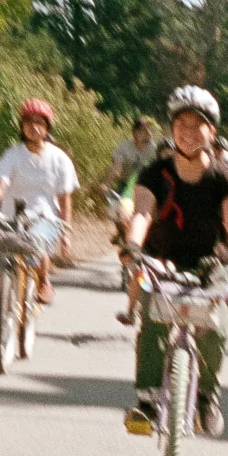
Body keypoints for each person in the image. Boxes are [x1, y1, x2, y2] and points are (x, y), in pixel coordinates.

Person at [123, 87, 228, 440]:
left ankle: (207, 397)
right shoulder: (155, 173)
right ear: (171, 129)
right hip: (162, 260)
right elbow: (142, 213)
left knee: (216, 329)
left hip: (210, 265)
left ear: (211, 132)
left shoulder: (226, 178)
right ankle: (148, 402)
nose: (187, 131)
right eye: (180, 123)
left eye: (197, 124)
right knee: (153, 322)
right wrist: (133, 247)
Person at [0, 98, 78, 306]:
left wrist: (66, 232)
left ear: (47, 128)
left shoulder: (59, 159)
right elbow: (0, 184)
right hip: (12, 218)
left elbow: (64, 198)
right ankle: (4, 320)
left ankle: (44, 281)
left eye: (40, 123)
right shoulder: (13, 155)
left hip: (45, 219)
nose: (34, 128)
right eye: (29, 122)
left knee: (37, 244)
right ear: (22, 126)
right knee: (4, 258)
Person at [103, 116, 154, 326]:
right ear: (134, 132)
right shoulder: (124, 147)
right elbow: (116, 167)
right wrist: (106, 183)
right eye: (142, 130)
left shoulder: (153, 150)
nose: (146, 134)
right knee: (117, 211)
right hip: (126, 187)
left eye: (148, 130)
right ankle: (122, 235)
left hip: (148, 189)